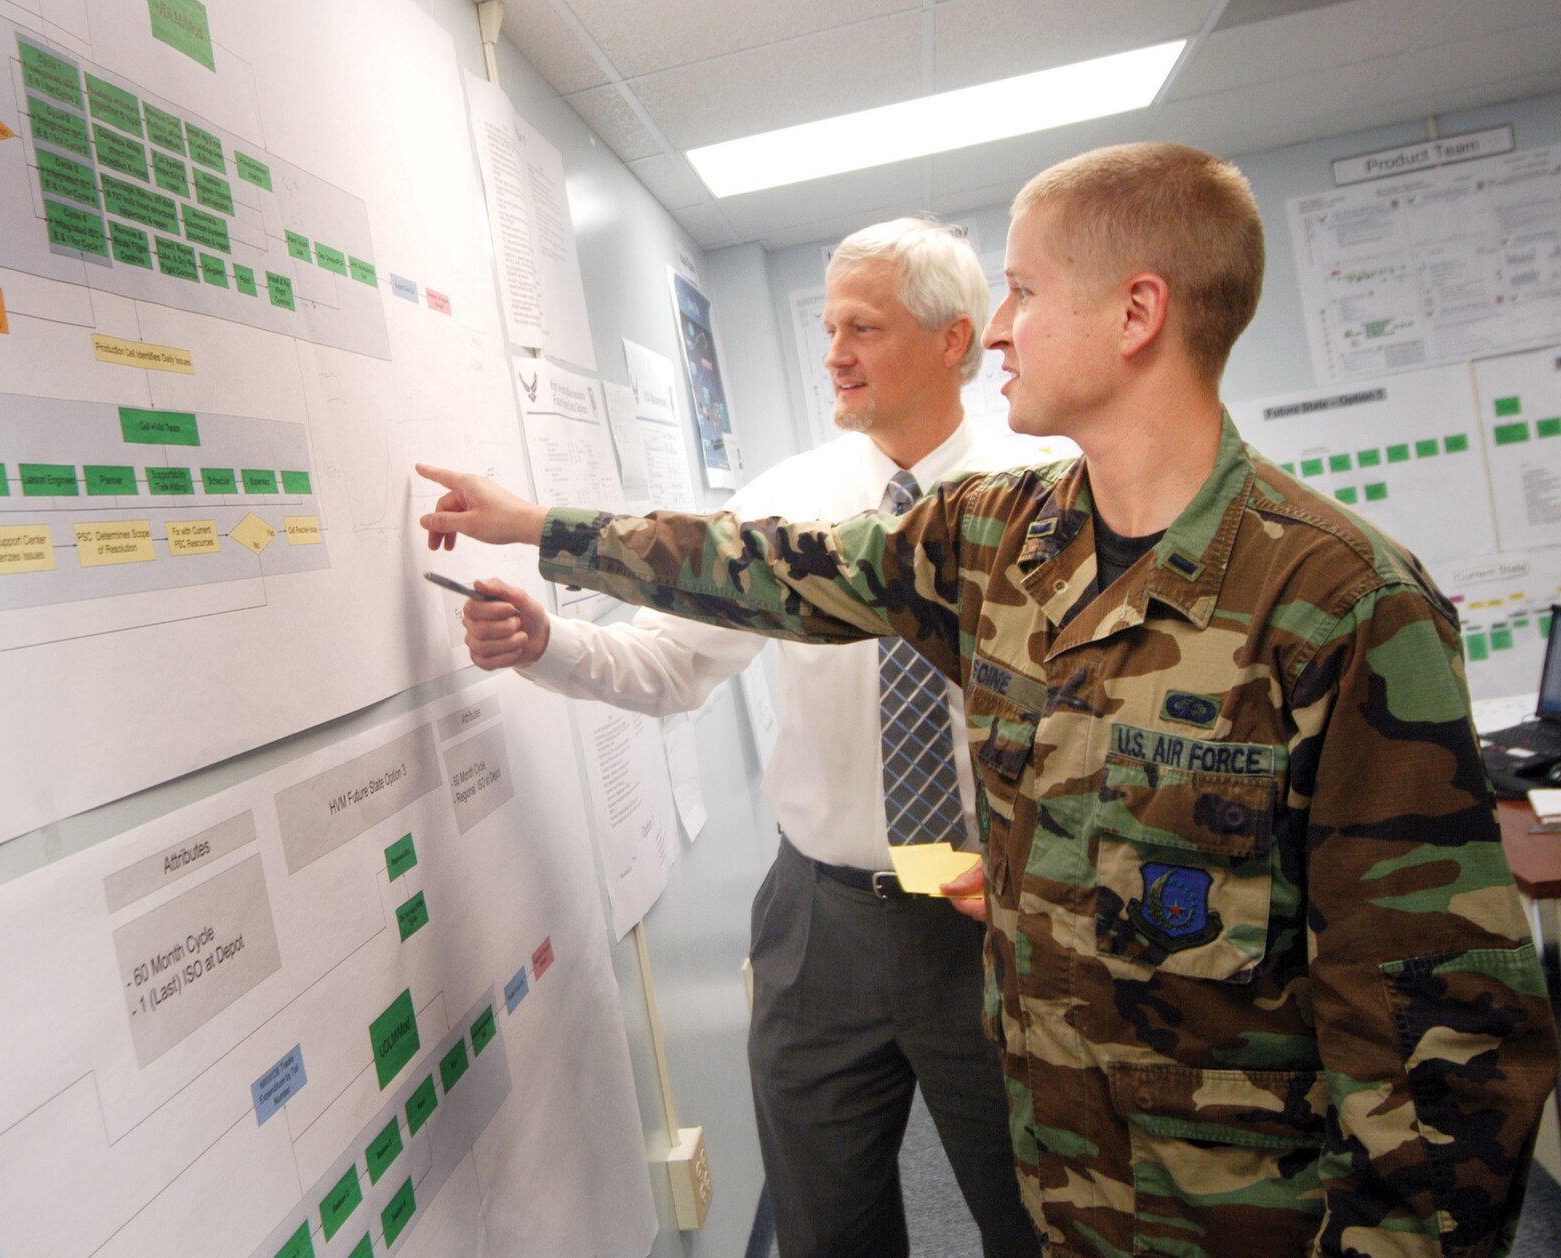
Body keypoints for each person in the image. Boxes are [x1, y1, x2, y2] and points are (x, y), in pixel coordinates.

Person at [416, 143, 1560, 1257]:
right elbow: (770, 564)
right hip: (1063, 1167)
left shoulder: (1339, 598)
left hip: (1237, 1206)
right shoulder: (999, 538)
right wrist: (539, 529)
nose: (999, 327)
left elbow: (1434, 1017)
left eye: (1020, 289)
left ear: (1135, 313)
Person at [456, 220, 1044, 1258]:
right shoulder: (789, 499)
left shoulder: (1044, 493)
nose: (834, 353)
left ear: (954, 341)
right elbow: (672, 664)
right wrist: (550, 643)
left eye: (862, 326)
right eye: (827, 328)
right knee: (825, 1226)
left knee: (1034, 1216)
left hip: (992, 915)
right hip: (822, 922)